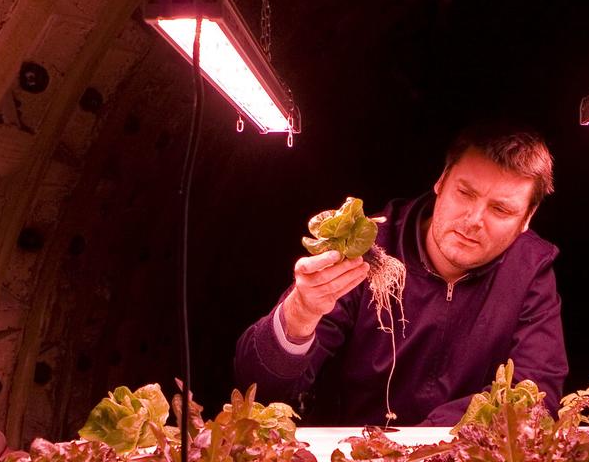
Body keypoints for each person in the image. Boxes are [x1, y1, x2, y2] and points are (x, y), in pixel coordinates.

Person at [233, 125, 568, 426]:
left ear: (527, 218)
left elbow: (535, 394)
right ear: (441, 181)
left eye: (500, 209)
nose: (473, 220)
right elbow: (259, 389)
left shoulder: (531, 267)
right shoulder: (368, 247)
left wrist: (424, 444)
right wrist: (299, 315)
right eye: (465, 193)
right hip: (358, 461)